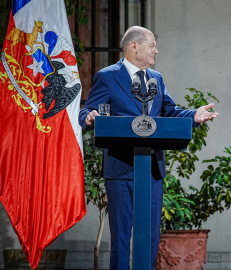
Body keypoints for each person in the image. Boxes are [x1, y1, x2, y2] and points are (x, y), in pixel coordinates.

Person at [78, 26, 218, 270]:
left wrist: (193, 115)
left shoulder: (156, 78)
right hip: (120, 169)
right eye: (152, 45)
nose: (156, 50)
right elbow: (85, 111)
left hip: (151, 169)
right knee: (121, 236)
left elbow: (169, 112)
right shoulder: (108, 76)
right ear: (134, 46)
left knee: (151, 234)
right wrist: (89, 118)